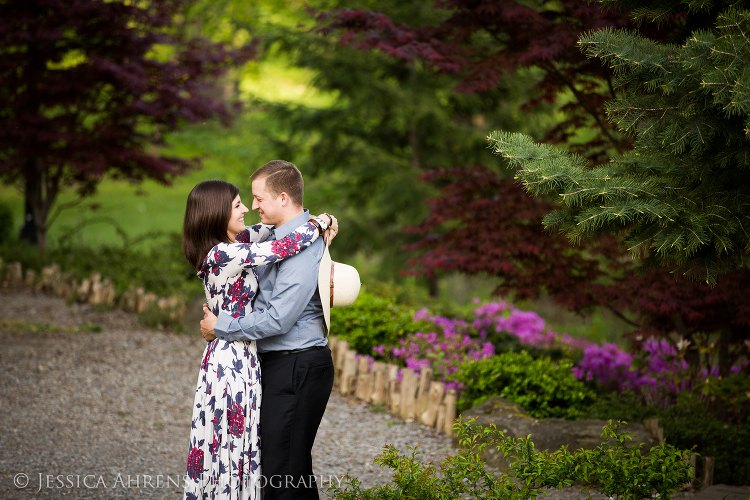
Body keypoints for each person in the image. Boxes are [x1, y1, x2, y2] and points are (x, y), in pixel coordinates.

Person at [181, 179, 335, 500]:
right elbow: (283, 247)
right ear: (216, 213)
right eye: (238, 205)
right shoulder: (224, 253)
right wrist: (320, 222)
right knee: (231, 450)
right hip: (231, 359)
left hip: (246, 356)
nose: (247, 209)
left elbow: (278, 232)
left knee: (246, 452)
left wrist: (322, 223)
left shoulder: (240, 240)